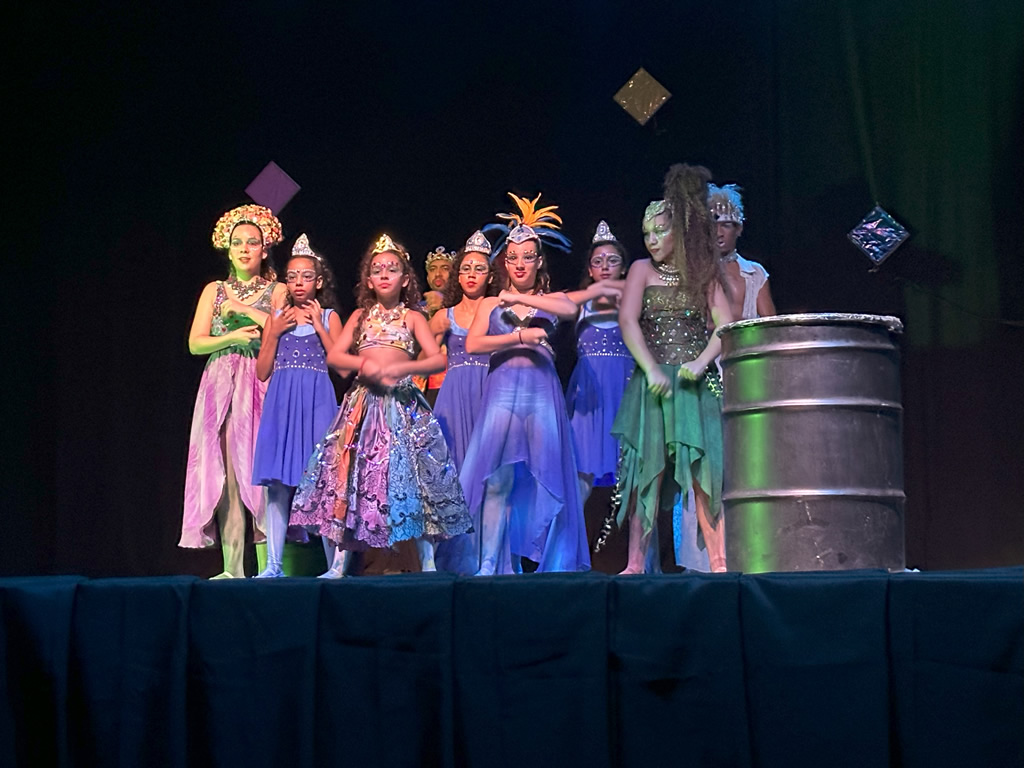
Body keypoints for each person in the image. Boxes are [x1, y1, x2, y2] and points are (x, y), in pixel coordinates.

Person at [290, 234, 471, 576]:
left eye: (392, 269)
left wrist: (405, 368)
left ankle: (428, 562)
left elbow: (436, 360)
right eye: (377, 270)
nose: (384, 274)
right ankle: (339, 563)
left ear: (405, 279)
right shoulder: (360, 316)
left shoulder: (413, 317)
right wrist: (364, 364)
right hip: (364, 404)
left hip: (403, 404)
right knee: (348, 475)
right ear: (369, 280)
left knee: (418, 477)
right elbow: (336, 356)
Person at [452, 194, 590, 575]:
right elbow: (473, 344)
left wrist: (520, 299)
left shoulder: (549, 299)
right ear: (505, 262)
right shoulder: (490, 304)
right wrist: (519, 337)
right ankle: (490, 561)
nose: (520, 264)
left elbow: (570, 309)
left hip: (541, 393)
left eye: (528, 257)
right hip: (502, 391)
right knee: (498, 480)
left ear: (539, 260)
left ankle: (551, 564)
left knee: (547, 478)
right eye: (513, 257)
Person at [611, 165, 734, 574]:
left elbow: (726, 326)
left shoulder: (702, 270)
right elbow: (628, 321)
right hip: (654, 386)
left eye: (659, 232)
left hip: (694, 384)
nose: (651, 240)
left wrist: (700, 363)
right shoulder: (640, 271)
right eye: (646, 234)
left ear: (678, 232)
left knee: (704, 471)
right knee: (647, 471)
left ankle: (718, 560)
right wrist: (650, 369)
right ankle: (635, 562)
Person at [181, 204, 288, 578]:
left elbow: (282, 330)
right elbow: (196, 343)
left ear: (264, 249)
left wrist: (243, 310)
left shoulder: (278, 290)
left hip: (261, 381)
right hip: (222, 383)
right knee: (226, 474)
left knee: (262, 476)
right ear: (227, 250)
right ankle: (233, 568)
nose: (244, 248)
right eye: (237, 242)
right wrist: (232, 336)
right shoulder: (214, 290)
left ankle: (270, 566)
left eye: (252, 242)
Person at [251, 234, 343, 578]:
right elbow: (262, 372)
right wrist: (273, 332)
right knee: (277, 484)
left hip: (317, 402)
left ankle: (334, 566)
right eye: (292, 277)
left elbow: (342, 367)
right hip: (282, 402)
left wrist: (319, 326)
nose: (299, 283)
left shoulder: (329, 317)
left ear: (318, 281)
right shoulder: (276, 318)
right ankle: (274, 565)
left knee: (324, 480)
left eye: (306, 276)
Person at [564, 220, 633, 504]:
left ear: (624, 268)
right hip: (589, 395)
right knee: (581, 471)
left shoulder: (634, 300)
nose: (605, 266)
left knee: (631, 471)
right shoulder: (580, 303)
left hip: (624, 390)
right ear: (590, 270)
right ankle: (571, 534)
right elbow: (558, 304)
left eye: (612, 260)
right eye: (597, 261)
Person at [429, 231, 494, 469]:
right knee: (453, 463)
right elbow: (422, 361)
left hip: (490, 390)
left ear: (490, 276)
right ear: (457, 276)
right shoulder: (443, 316)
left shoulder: (499, 313)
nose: (472, 275)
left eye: (479, 269)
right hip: (454, 395)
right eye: (466, 269)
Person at [708, 183, 776, 321]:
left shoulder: (756, 273)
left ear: (738, 229)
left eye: (726, 226)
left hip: (748, 335)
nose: (718, 233)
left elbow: (770, 324)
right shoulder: (693, 271)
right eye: (712, 226)